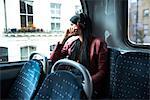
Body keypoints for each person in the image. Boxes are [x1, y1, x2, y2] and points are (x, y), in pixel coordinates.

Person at [50, 13, 108, 99]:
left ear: (80, 25)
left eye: (72, 25)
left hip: (87, 83)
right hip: (72, 78)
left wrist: (86, 82)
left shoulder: (98, 43)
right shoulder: (72, 43)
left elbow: (102, 71)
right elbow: (53, 59)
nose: (70, 28)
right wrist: (64, 38)